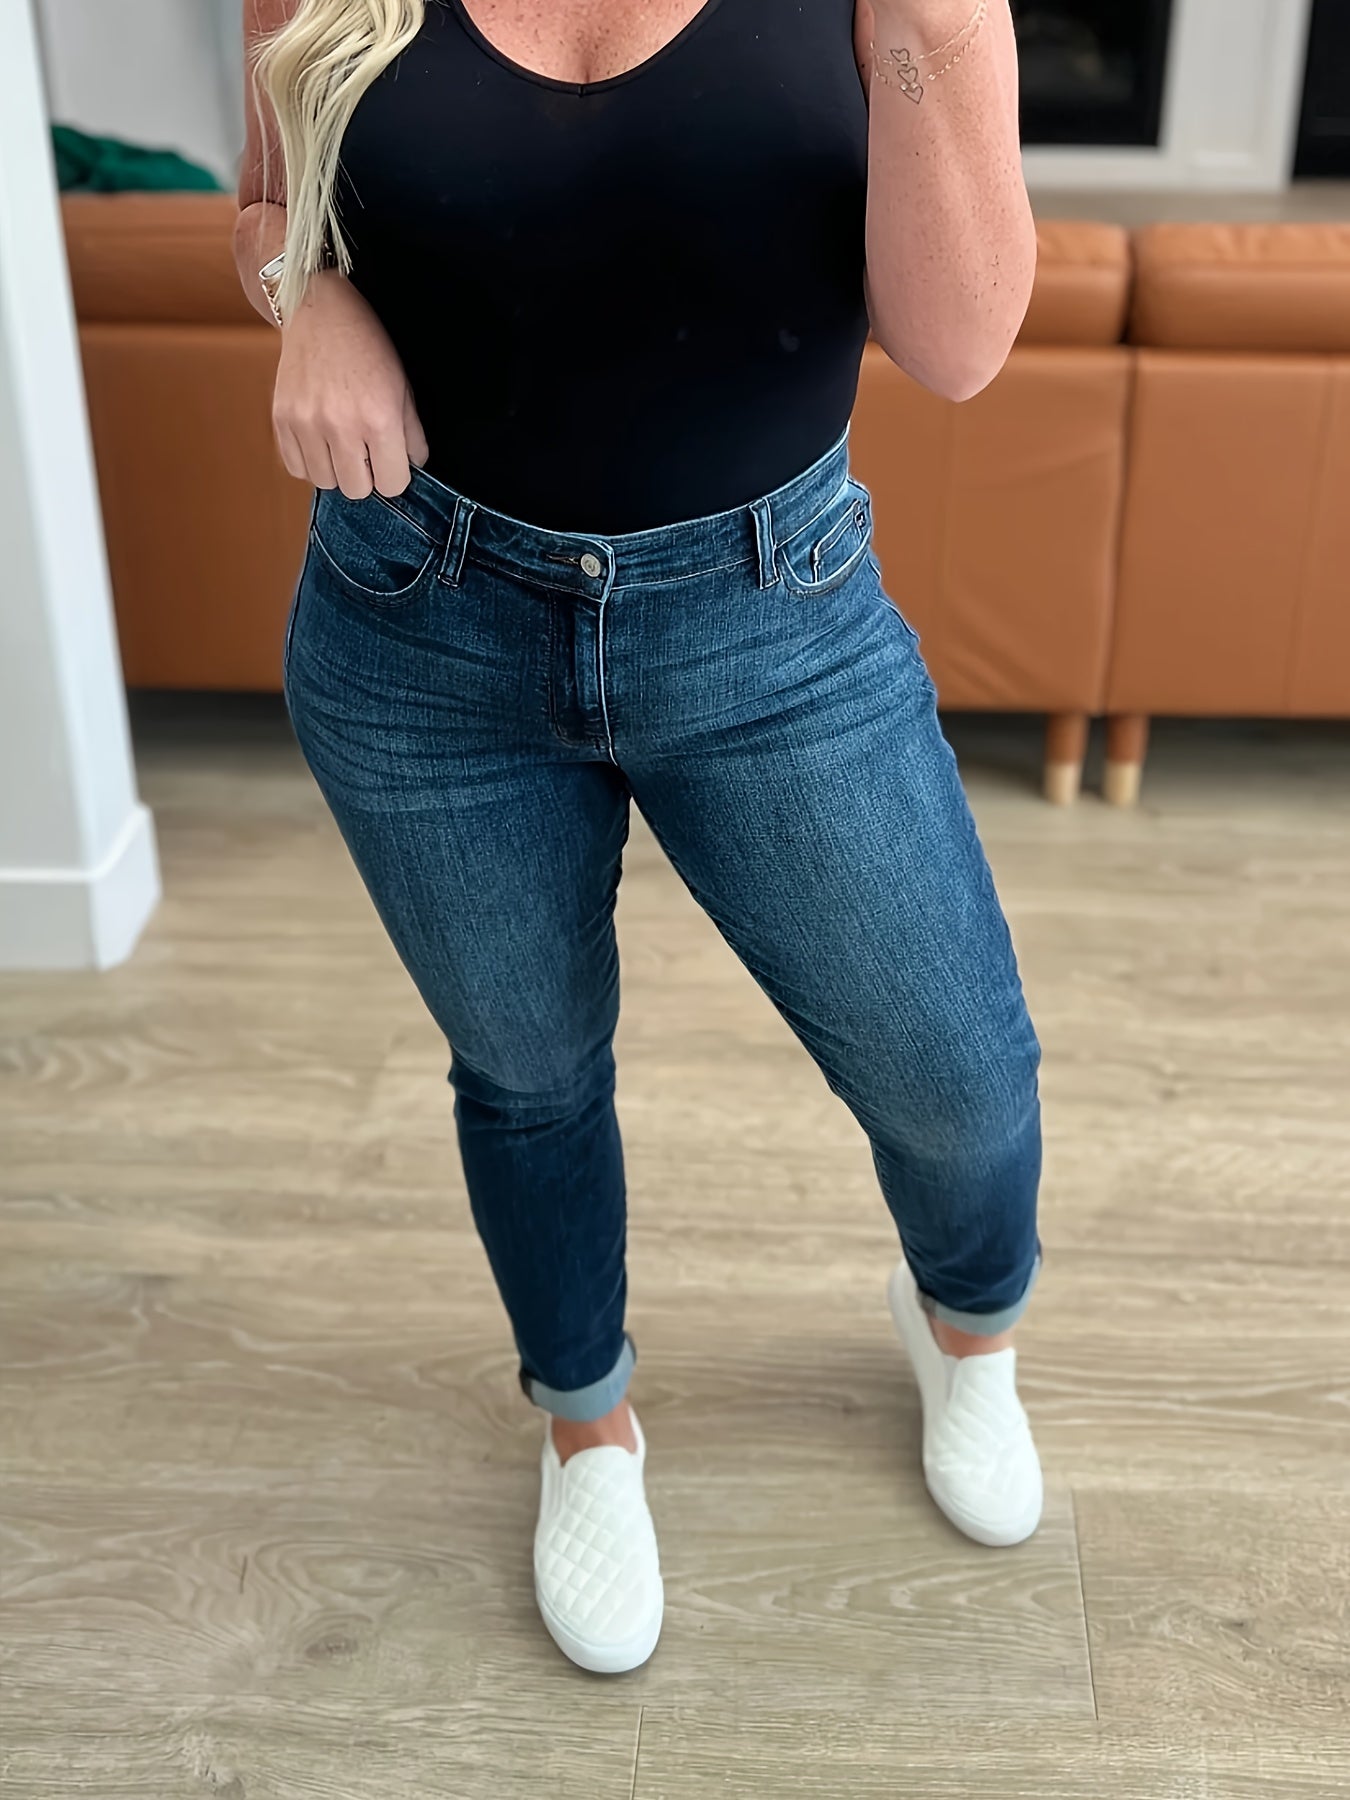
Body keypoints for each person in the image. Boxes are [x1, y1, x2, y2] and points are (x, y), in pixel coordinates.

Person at [235, 0, 1044, 1676]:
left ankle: (966, 1329)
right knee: (526, 1073)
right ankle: (585, 1422)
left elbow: (959, 345)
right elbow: (266, 199)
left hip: (769, 620)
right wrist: (305, 293)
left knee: (955, 1080)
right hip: (418, 617)